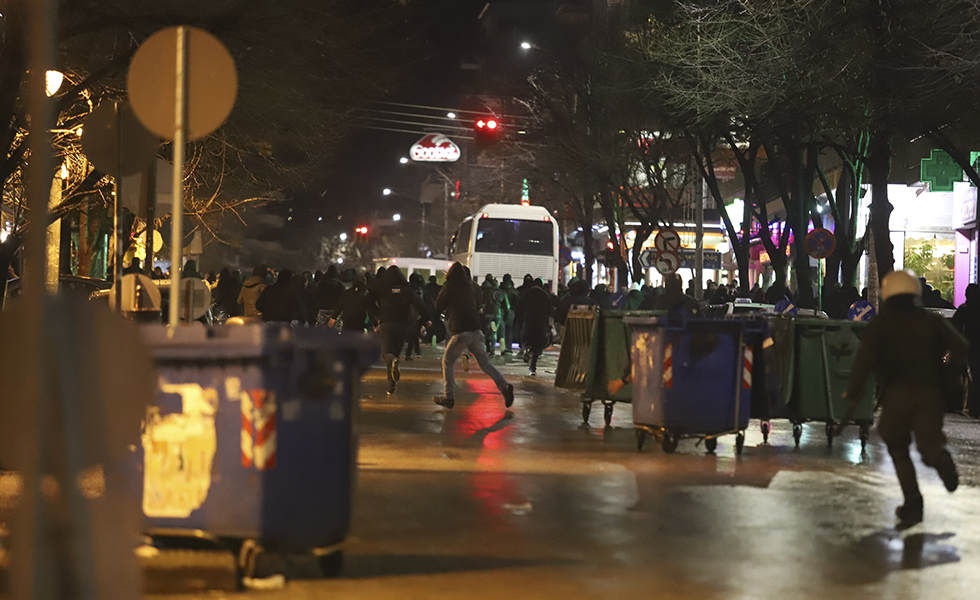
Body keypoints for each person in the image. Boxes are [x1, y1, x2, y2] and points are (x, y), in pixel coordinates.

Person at [841, 270, 964, 527]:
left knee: (897, 446)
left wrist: (852, 395)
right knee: (929, 444)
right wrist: (950, 378)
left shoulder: (880, 325)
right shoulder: (932, 320)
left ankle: (913, 503)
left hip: (896, 394)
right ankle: (941, 461)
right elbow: (961, 347)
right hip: (931, 394)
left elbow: (863, 363)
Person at [433, 263, 515, 409]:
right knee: (485, 364)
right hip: (477, 331)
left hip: (460, 331)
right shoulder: (472, 286)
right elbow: (479, 303)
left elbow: (438, 305)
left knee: (447, 361)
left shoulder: (449, 286)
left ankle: (449, 396)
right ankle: (504, 386)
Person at [370, 267, 428, 394]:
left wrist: (377, 314)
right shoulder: (406, 290)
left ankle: (391, 379)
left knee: (387, 352)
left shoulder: (382, 290)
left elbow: (368, 301)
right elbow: (420, 304)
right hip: (403, 324)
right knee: (395, 352)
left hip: (386, 323)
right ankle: (392, 383)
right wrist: (424, 318)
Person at [953, 283, 980, 417]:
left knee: (973, 378)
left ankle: (972, 409)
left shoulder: (964, 309)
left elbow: (955, 329)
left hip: (971, 347)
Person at [517, 278, 552, 376]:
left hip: (529, 320)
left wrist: (522, 317)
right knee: (537, 345)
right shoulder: (545, 295)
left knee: (526, 338)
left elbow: (519, 305)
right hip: (541, 322)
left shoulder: (527, 293)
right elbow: (550, 310)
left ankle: (527, 348)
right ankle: (533, 367)